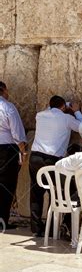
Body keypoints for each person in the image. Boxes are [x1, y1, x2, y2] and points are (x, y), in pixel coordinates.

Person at [29, 95, 82, 236]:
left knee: (36, 193)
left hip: (35, 157)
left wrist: (64, 105)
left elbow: (51, 109)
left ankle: (37, 229)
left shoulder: (40, 115)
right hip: (52, 160)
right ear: (63, 107)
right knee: (60, 191)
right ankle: (55, 227)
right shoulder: (67, 119)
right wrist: (77, 111)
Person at [0, 82, 27, 229]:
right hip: (6, 151)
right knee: (6, 186)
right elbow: (17, 133)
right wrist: (22, 151)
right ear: (4, 90)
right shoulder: (8, 107)